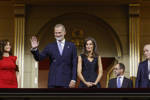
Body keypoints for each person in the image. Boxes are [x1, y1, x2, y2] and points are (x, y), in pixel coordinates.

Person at [30, 24, 77, 88]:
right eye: (55, 33)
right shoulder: (50, 46)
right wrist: (35, 49)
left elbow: (74, 64)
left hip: (67, 82)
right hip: (53, 82)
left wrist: (73, 79)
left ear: (64, 32)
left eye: (59, 32)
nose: (57, 35)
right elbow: (39, 58)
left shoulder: (72, 46)